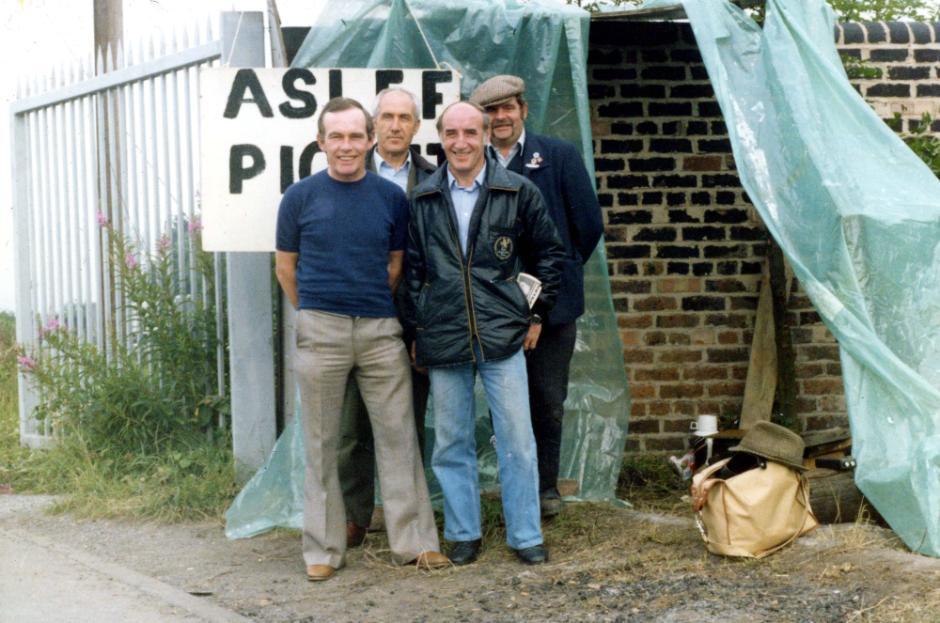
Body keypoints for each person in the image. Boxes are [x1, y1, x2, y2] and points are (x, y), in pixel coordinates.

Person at [275, 97, 448, 582]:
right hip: (321, 330)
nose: (346, 146)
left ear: (370, 140)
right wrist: (314, 312)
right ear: (321, 142)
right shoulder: (299, 198)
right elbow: (285, 268)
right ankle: (324, 550)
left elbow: (395, 266)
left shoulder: (391, 198)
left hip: (378, 331)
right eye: (337, 137)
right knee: (324, 442)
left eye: (356, 136)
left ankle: (414, 543)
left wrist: (368, 307)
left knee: (398, 436)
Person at [405, 101, 565, 566]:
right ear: (441, 138)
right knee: (452, 440)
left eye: (470, 133)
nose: (460, 142)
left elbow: (549, 257)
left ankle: (525, 534)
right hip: (445, 335)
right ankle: (462, 533)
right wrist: (420, 325)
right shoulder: (423, 198)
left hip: (502, 336)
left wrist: (532, 315)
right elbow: (413, 271)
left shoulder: (517, 191)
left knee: (517, 438)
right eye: (451, 133)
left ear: (484, 136)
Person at [469, 75, 604, 518]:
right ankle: (513, 487)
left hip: (552, 305)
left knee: (546, 399)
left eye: (507, 108)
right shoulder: (472, 162)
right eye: (491, 111)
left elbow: (586, 227)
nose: (500, 118)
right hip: (491, 306)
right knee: (503, 402)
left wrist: (548, 287)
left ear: (523, 110)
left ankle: (545, 489)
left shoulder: (558, 157)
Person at [337, 87, 438, 548]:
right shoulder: (349, 176)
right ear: (373, 124)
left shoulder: (434, 181)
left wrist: (424, 328)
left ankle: (410, 523)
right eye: (387, 117)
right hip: (360, 314)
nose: (395, 125)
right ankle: (353, 517)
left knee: (408, 426)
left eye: (405, 118)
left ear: (417, 127)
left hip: (412, 319)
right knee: (351, 428)